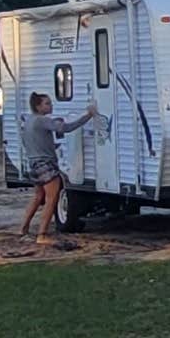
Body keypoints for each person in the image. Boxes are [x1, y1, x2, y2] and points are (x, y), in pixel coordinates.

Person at [15, 91, 100, 242]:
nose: (50, 105)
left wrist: (51, 146)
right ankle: (42, 235)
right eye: (47, 103)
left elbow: (32, 143)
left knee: (38, 196)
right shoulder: (42, 120)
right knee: (51, 199)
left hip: (33, 163)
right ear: (38, 106)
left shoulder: (28, 122)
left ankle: (23, 228)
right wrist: (88, 116)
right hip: (46, 164)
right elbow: (65, 128)